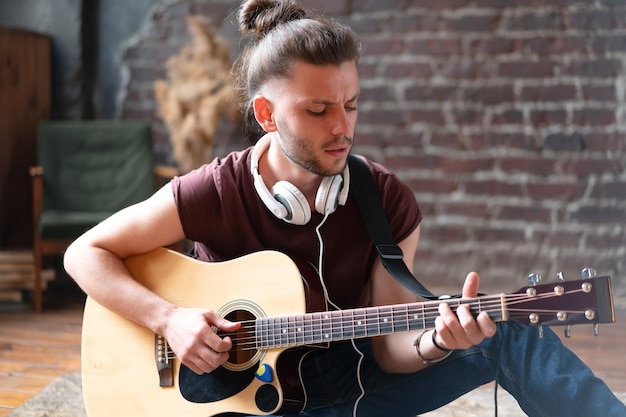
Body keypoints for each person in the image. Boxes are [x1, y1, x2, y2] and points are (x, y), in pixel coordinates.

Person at [64, 1, 626, 416]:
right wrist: (171, 319)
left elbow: (390, 352)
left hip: (356, 389)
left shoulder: (386, 201)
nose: (343, 127)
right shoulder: (213, 190)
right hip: (242, 398)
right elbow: (84, 254)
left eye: (351, 105)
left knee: (508, 331)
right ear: (266, 113)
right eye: (317, 110)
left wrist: (436, 341)